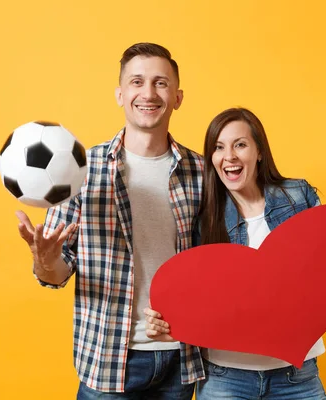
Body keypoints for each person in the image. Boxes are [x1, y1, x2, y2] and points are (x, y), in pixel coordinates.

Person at [144, 107, 326, 399]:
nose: (229, 156)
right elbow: (191, 292)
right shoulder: (203, 216)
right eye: (218, 147)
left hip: (297, 377)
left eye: (240, 144)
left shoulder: (298, 197)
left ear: (259, 152)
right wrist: (171, 324)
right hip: (225, 380)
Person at [15, 43, 206, 399]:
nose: (148, 93)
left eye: (160, 83)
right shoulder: (78, 169)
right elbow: (56, 274)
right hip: (109, 361)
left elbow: (214, 266)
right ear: (120, 94)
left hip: (181, 360)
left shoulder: (201, 173)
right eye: (136, 82)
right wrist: (44, 260)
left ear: (178, 97)